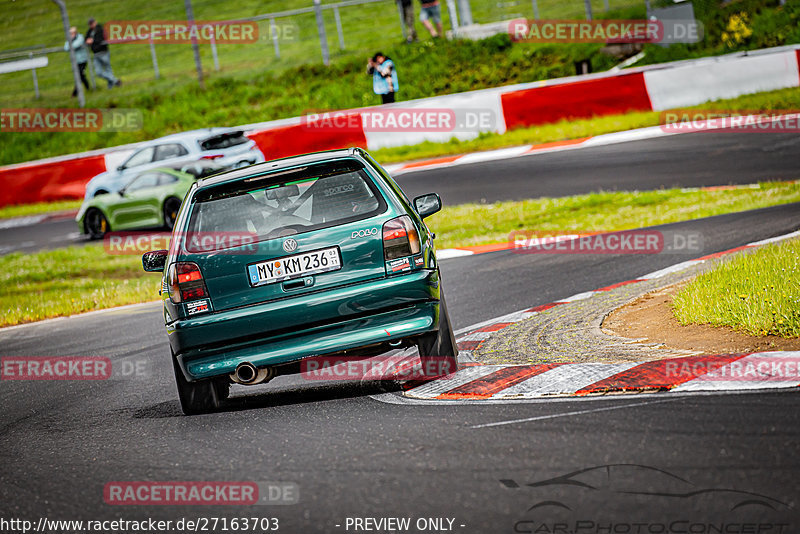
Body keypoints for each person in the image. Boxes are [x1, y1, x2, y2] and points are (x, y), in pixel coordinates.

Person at [85, 17, 121, 89]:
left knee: (108, 69)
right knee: (98, 72)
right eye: (90, 24)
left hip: (104, 52)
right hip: (95, 53)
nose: (91, 25)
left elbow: (102, 39)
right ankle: (115, 80)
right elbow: (86, 38)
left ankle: (110, 87)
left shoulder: (101, 29)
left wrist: (93, 41)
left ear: (95, 22)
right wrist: (87, 40)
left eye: (92, 23)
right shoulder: (89, 31)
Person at [64, 26, 90, 97]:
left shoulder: (80, 37)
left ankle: (75, 92)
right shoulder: (69, 40)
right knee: (81, 75)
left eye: (72, 33)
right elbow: (66, 47)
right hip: (75, 61)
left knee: (79, 75)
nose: (71, 35)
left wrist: (71, 45)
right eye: (70, 33)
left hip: (82, 60)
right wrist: (71, 44)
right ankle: (88, 88)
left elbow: (76, 45)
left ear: (75, 33)